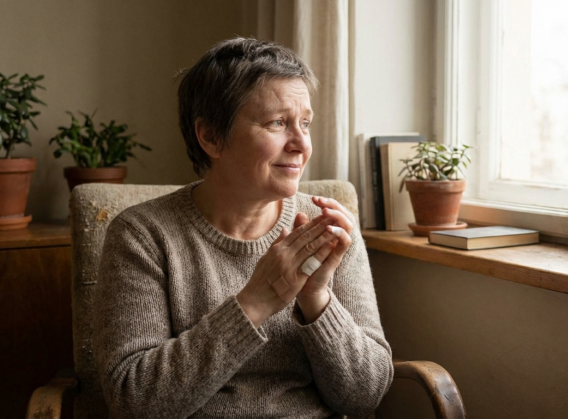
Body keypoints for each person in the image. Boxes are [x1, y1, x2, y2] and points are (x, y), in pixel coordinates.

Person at [93, 38, 393, 418]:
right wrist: (255, 302)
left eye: (305, 124)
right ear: (211, 137)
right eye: (278, 123)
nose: (302, 144)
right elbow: (134, 402)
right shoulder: (142, 235)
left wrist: (317, 299)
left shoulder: (327, 230)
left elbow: (364, 396)